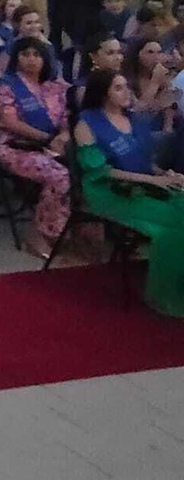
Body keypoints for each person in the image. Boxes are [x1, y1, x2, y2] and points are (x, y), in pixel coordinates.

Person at [74, 69, 184, 317]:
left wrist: (164, 175)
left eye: (126, 86)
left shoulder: (133, 120)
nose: (127, 93)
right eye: (118, 88)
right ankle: (165, 294)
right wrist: (152, 181)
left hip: (144, 184)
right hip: (109, 192)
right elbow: (101, 170)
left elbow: (144, 162)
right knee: (173, 227)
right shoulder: (87, 123)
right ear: (103, 93)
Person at [0, 37, 73, 259]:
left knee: (85, 170)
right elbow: (10, 122)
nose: (31, 60)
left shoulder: (56, 88)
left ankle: (75, 231)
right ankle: (40, 235)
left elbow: (65, 120)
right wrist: (47, 138)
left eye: (37, 55)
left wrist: (62, 137)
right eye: (25, 54)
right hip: (16, 147)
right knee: (59, 176)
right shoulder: (4, 85)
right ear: (16, 58)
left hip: (54, 146)